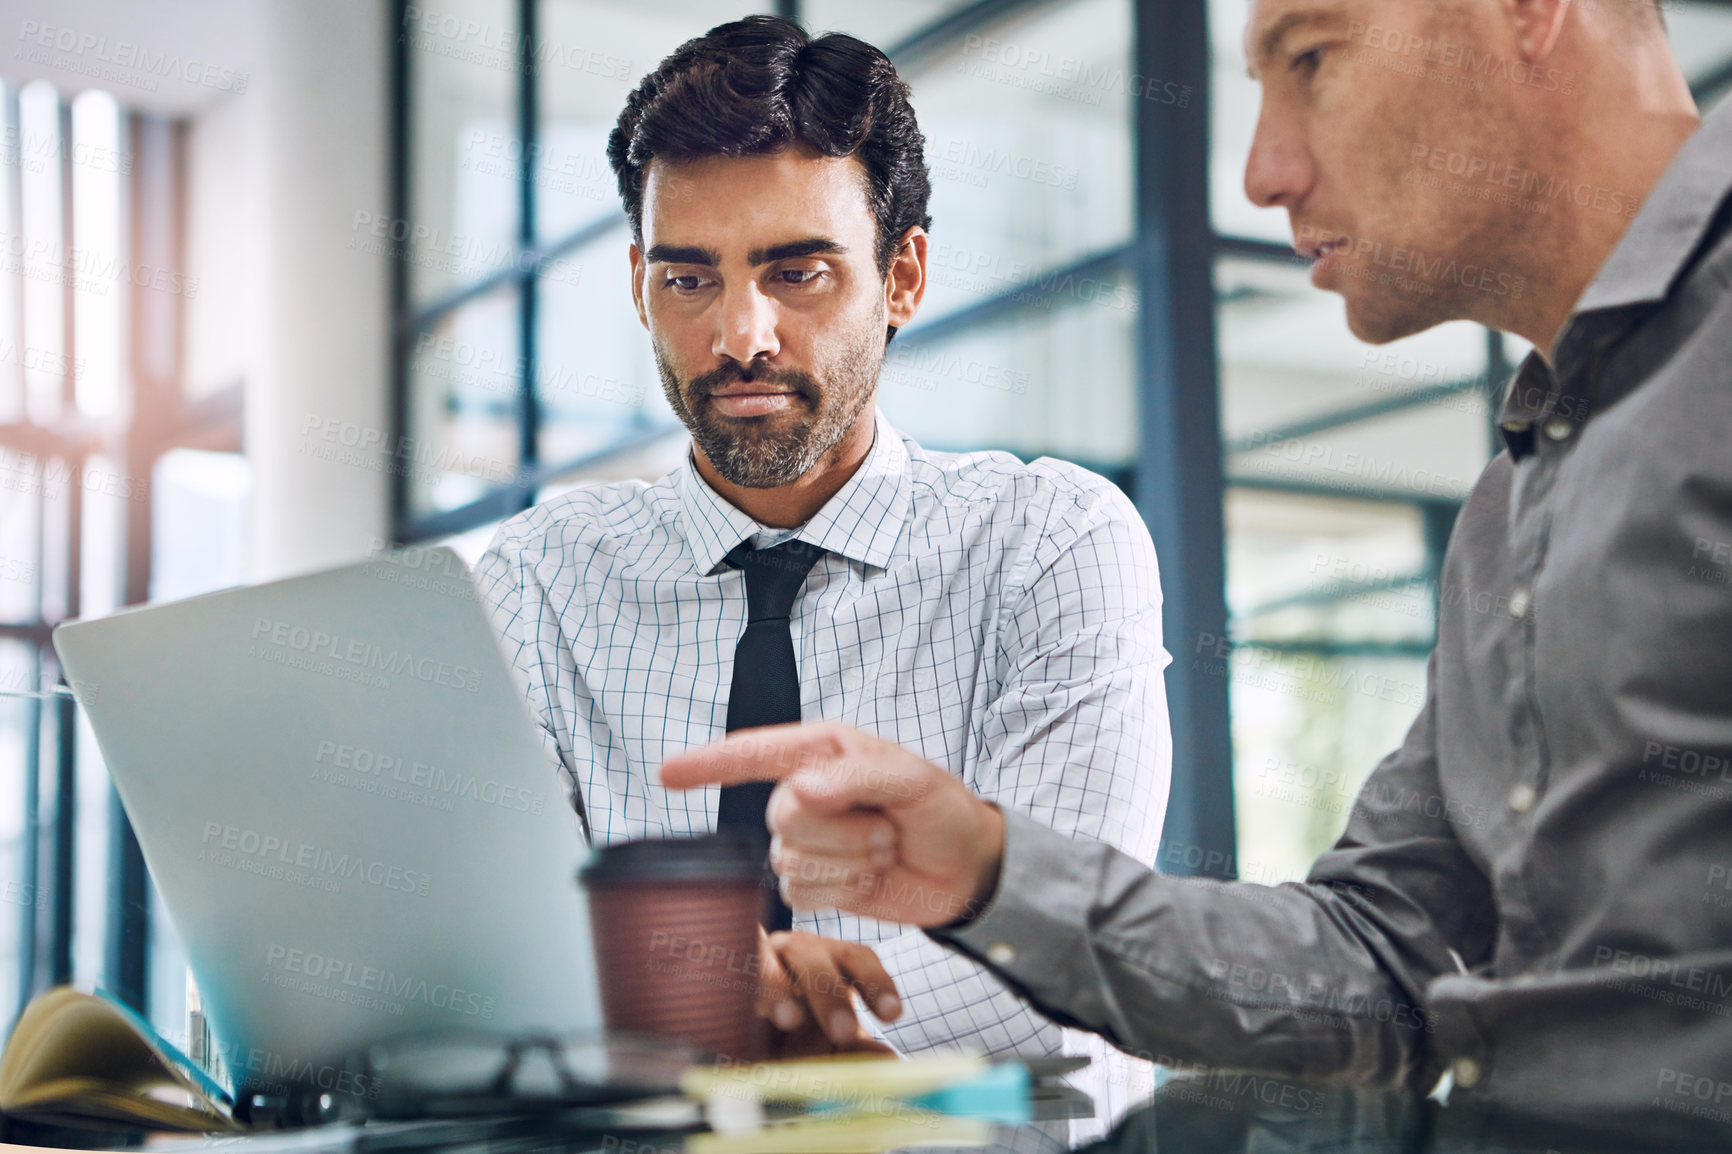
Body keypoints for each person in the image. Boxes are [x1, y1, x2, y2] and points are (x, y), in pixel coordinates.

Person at [661, 0, 1732, 1128]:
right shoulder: (1516, 505)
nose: (1262, 172)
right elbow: (1378, 962)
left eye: (1312, 58)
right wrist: (987, 867)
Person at [475, 16, 1172, 1061]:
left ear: (901, 279)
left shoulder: (1051, 541)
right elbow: (507, 944)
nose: (739, 336)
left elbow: (1073, 941)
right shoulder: (536, 578)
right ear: (638, 287)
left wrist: (785, 1006)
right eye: (687, 278)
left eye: (797, 273)